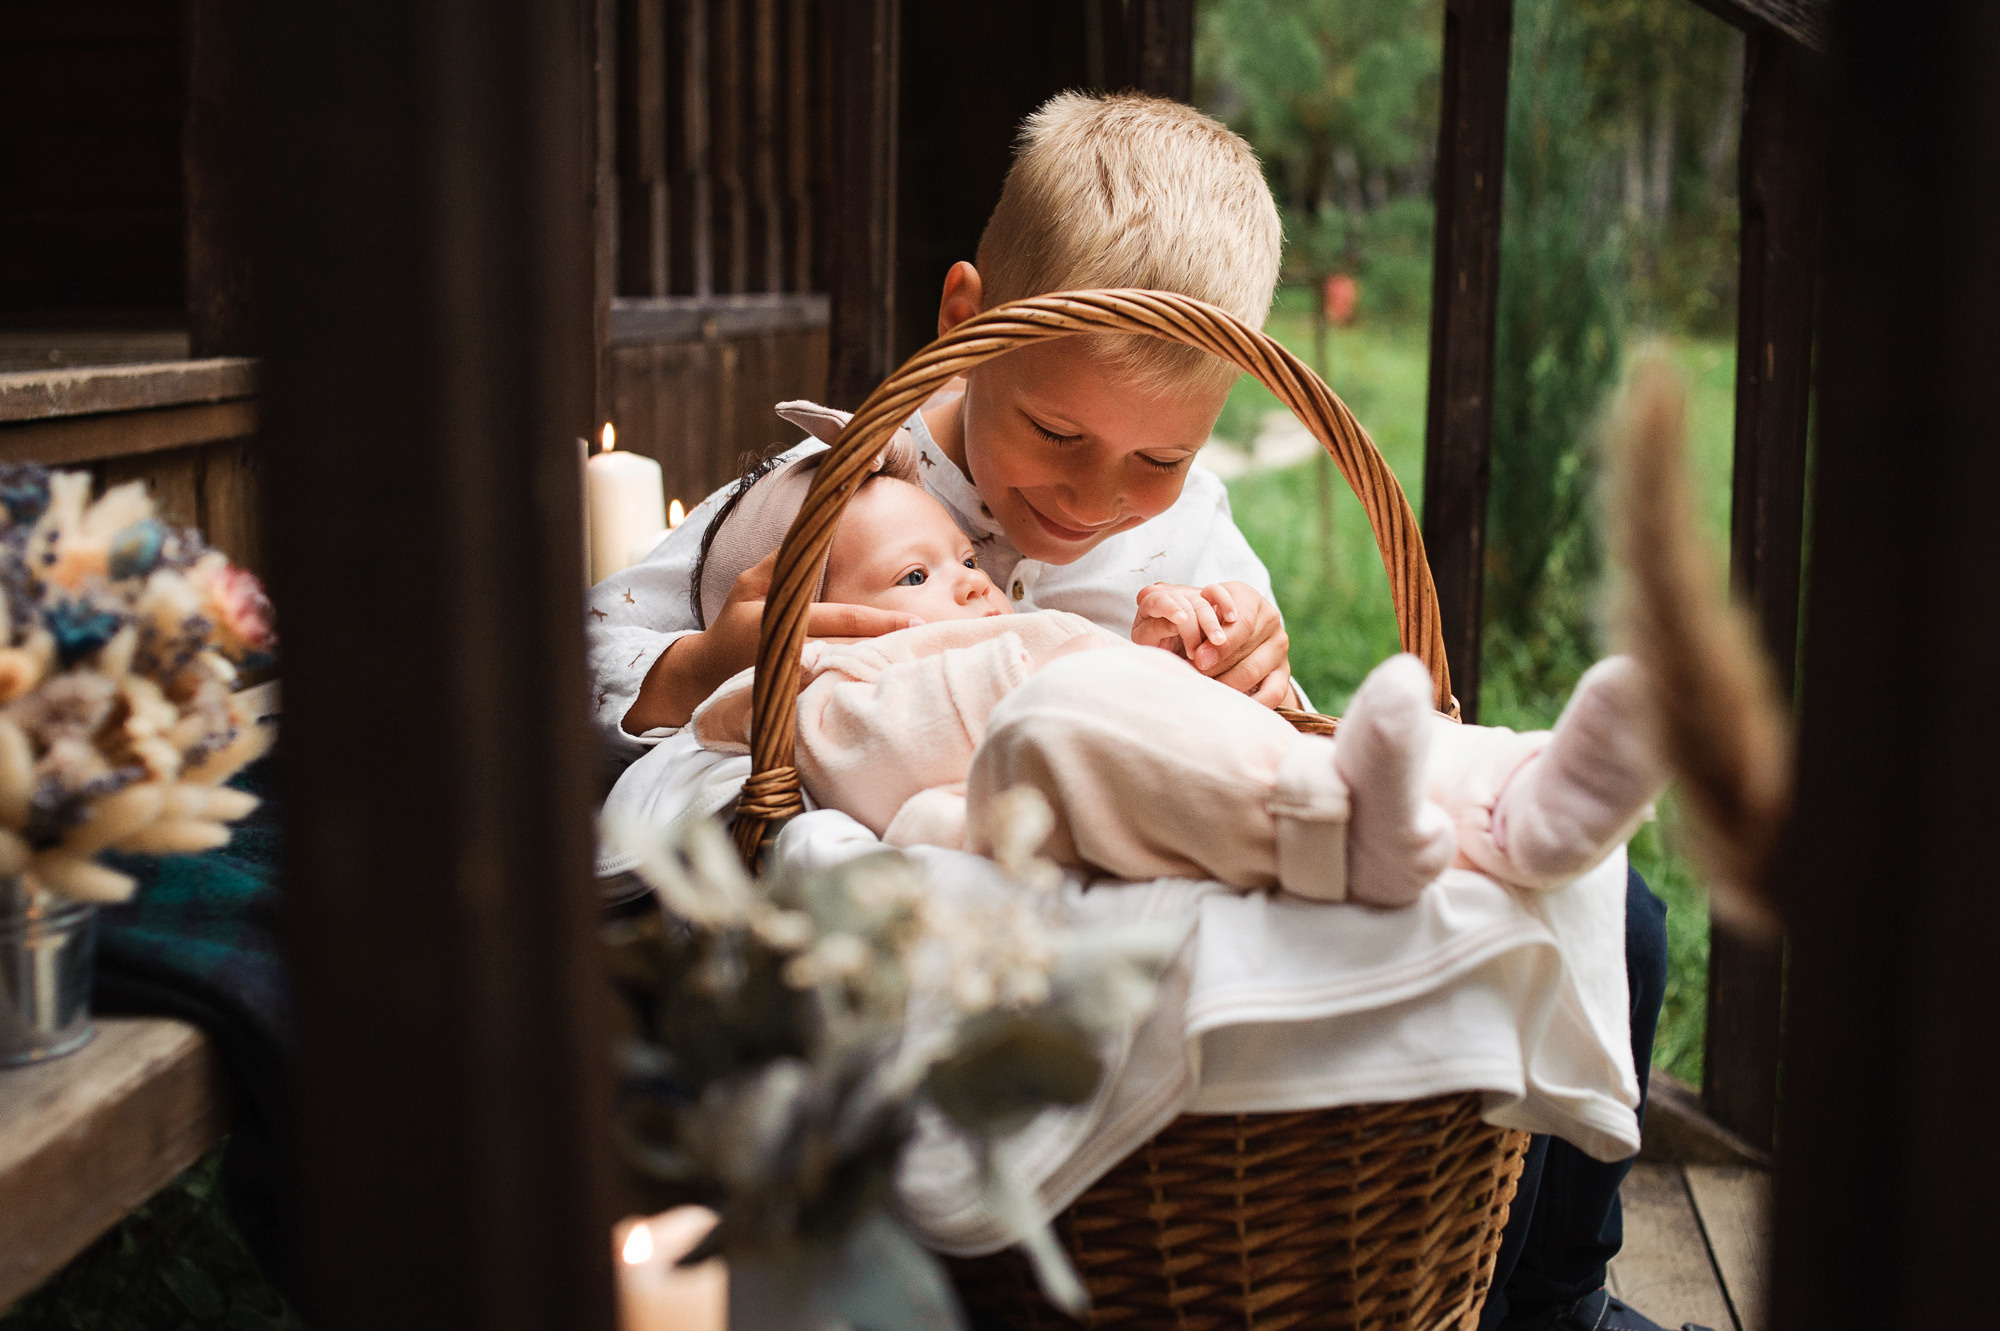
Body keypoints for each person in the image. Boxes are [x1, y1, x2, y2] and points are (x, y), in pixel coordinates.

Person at [583, 90, 1677, 1331]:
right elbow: (583, 646)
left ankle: (1550, 1298)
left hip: (1208, 837)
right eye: (1056, 428)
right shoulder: (823, 497)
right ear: (967, 319)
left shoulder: (1193, 530)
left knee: (1614, 909)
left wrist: (1256, 679)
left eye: (1159, 457)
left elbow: (1283, 738)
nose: (1098, 495)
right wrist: (696, 666)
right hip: (1012, 878)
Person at [684, 453, 1668, 912]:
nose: (969, 577)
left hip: (1137, 756)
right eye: (913, 577)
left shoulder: (1029, 629)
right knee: (1061, 728)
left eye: (958, 554)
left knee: (1301, 738)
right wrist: (1054, 670)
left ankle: (1512, 788)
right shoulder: (834, 679)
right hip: (1007, 796)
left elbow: (1149, 726)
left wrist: (1157, 654)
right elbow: (861, 740)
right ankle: (1340, 832)